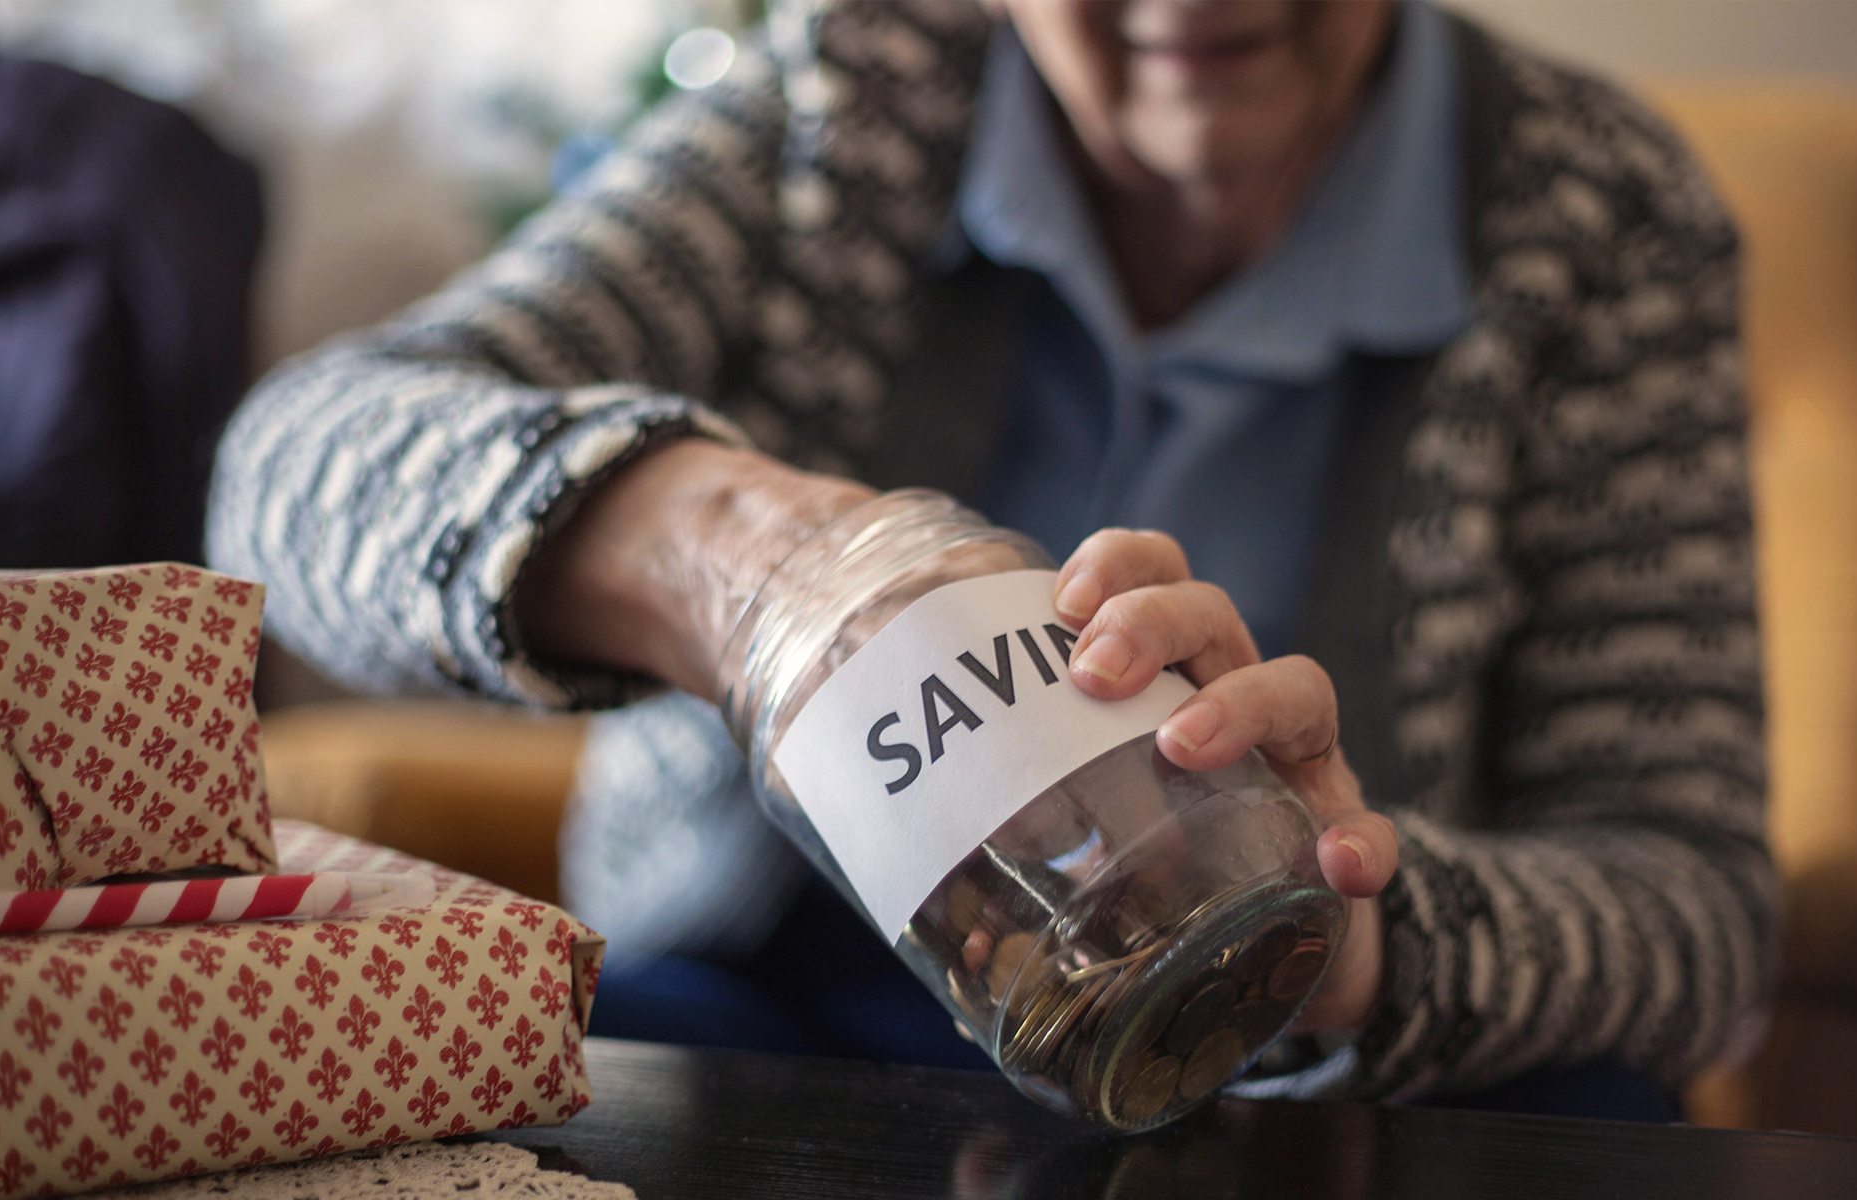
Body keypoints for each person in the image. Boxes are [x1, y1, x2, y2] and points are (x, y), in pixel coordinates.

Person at [211, 0, 1774, 1118]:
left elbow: (1698, 914)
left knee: (1592, 1111)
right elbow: (292, 468)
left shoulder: (1597, 213)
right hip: (766, 999)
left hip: (1302, 1060)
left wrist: (1358, 938)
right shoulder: (856, 93)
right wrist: (724, 549)